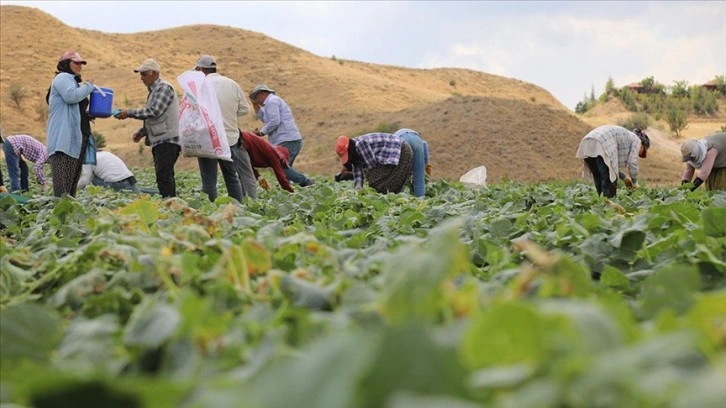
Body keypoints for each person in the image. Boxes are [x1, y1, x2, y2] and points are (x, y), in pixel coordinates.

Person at [192, 55, 258, 201]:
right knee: (231, 177)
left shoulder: (199, 86)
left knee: (209, 181)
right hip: (230, 139)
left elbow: (192, 112)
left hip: (207, 139)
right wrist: (229, 115)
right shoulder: (231, 84)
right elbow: (244, 109)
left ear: (200, 69)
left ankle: (210, 213)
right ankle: (237, 209)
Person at [115, 59, 180, 198]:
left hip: (167, 139)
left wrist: (129, 113)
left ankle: (170, 205)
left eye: (144, 74)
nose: (141, 78)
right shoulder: (155, 90)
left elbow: (154, 111)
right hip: (161, 139)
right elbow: (156, 117)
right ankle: (172, 204)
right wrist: (143, 132)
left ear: (154, 73)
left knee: (164, 176)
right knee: (164, 175)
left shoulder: (163, 88)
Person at [46, 50, 96, 197]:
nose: (80, 65)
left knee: (71, 186)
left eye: (81, 63)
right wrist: (89, 86)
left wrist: (87, 115)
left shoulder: (73, 82)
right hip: (64, 141)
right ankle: (60, 216)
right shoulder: (62, 77)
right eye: (76, 62)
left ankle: (68, 216)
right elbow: (70, 96)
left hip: (76, 139)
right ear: (65, 64)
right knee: (63, 189)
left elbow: (74, 108)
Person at [249, 84, 315, 187]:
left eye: (256, 97)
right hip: (288, 139)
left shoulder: (271, 101)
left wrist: (261, 132)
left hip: (286, 139)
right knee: (285, 169)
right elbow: (266, 119)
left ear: (262, 93)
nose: (257, 100)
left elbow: (275, 121)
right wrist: (255, 105)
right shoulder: (271, 103)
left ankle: (305, 182)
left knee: (280, 167)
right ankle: (288, 190)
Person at [575, 125, 650, 198]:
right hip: (601, 142)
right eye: (642, 151)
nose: (639, 154)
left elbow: (610, 164)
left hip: (588, 142)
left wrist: (624, 177)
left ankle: (602, 205)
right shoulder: (637, 140)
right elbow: (632, 162)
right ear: (642, 145)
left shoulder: (625, 137)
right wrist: (635, 183)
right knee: (609, 181)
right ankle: (608, 206)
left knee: (599, 178)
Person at [335, 133, 413, 194]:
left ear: (349, 149)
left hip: (401, 150)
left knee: (380, 182)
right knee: (380, 184)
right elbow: (357, 173)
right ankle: (392, 200)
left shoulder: (361, 144)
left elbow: (371, 166)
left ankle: (393, 201)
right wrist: (357, 190)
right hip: (389, 156)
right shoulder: (355, 154)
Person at [393, 128, 431, 197]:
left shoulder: (395, 137)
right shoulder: (422, 142)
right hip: (417, 142)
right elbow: (426, 160)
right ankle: (421, 199)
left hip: (401, 140)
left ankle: (401, 198)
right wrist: (426, 172)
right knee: (419, 176)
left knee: (400, 176)